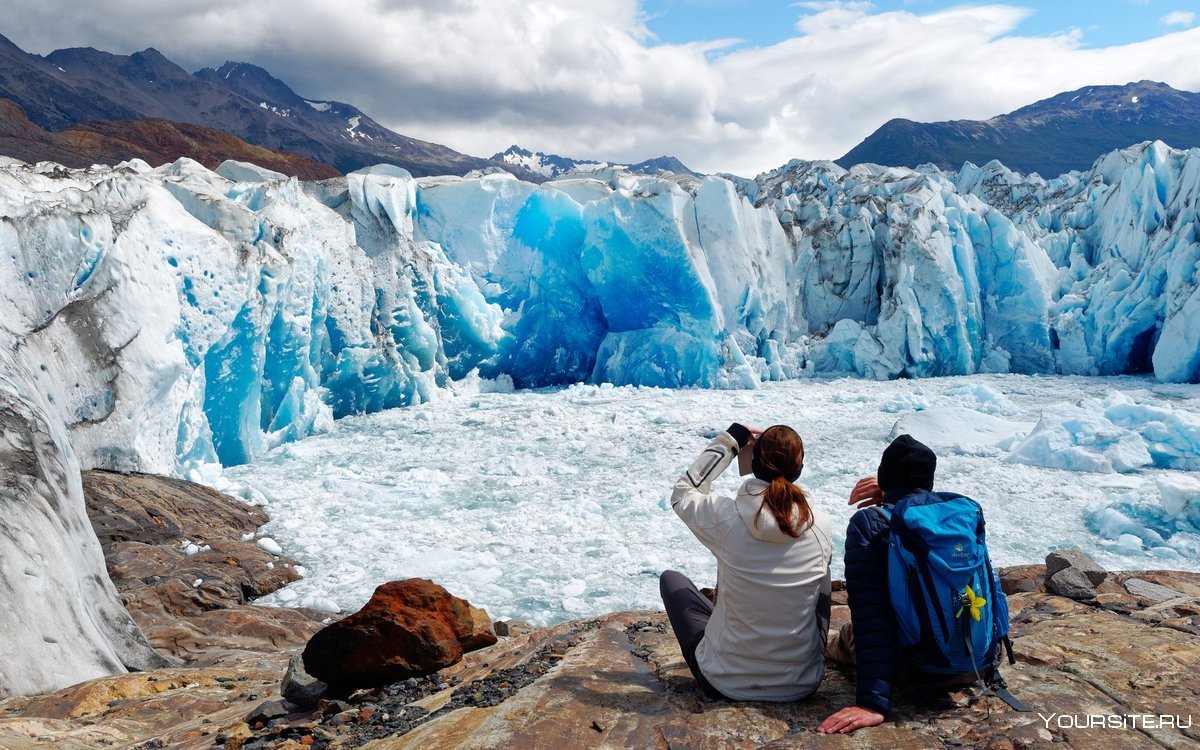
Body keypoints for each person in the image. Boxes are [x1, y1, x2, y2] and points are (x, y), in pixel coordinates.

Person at [820, 433, 1004, 734]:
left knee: (840, 638)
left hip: (917, 669)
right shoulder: (961, 515)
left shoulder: (870, 523)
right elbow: (991, 589)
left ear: (883, 477)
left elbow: (872, 615)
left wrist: (873, 703)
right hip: (976, 665)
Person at [660, 423, 833, 702]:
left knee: (671, 580)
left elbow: (683, 493)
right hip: (800, 683)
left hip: (724, 681)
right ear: (798, 470)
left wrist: (730, 441)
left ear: (753, 464)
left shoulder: (726, 518)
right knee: (823, 572)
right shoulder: (820, 526)